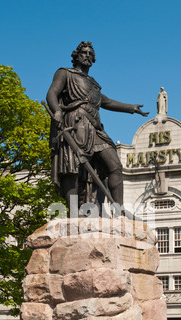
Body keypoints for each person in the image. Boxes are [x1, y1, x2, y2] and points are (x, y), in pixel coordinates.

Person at [46, 41, 149, 210]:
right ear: (76, 56)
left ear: (93, 59)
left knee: (115, 166)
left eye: (90, 54)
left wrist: (130, 108)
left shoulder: (93, 84)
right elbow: (52, 93)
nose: (87, 56)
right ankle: (74, 214)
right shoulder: (65, 73)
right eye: (84, 53)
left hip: (94, 128)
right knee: (72, 168)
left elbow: (106, 102)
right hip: (75, 123)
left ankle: (119, 212)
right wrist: (56, 110)